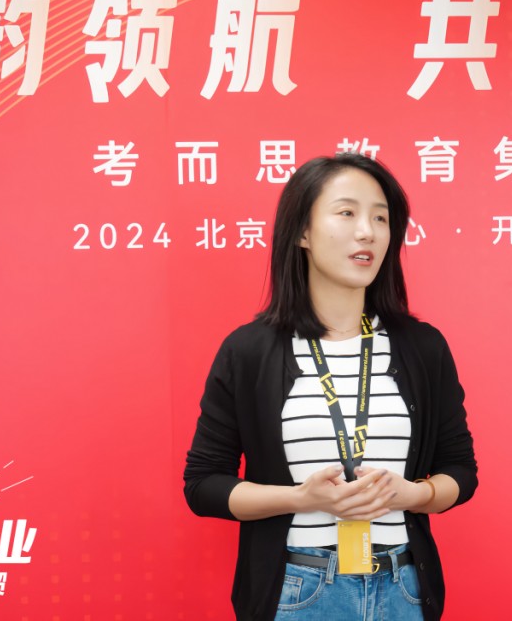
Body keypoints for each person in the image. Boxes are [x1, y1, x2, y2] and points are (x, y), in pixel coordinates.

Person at [183, 152, 477, 621]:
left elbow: (460, 472)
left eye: (380, 218)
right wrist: (301, 499)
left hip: (402, 590)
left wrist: (414, 495)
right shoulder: (250, 350)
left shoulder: (422, 347)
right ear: (302, 232)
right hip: (298, 591)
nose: (368, 232)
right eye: (347, 213)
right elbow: (203, 486)